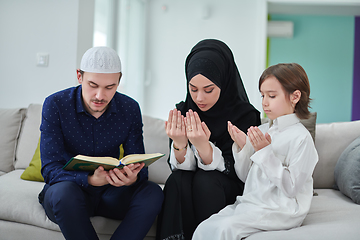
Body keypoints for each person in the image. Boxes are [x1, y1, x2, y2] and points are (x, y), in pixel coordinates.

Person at [38, 46, 164, 240]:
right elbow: (49, 169)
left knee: (153, 193)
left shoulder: (130, 109)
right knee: (63, 193)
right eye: (93, 85)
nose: (99, 96)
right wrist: (88, 180)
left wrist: (131, 178)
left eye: (109, 87)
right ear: (79, 76)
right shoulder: (55, 104)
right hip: (70, 192)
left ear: (119, 82)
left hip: (111, 193)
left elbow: (140, 167)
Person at [192, 63, 319, 240]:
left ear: (295, 96)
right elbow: (245, 177)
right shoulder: (263, 129)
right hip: (252, 203)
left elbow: (291, 188)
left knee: (225, 229)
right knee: (204, 228)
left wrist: (264, 152)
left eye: (272, 96)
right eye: (262, 95)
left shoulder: (301, 138)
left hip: (282, 209)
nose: (264, 102)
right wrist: (244, 147)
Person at [156, 39, 261, 240]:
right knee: (177, 180)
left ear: (224, 81)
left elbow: (242, 173)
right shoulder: (183, 111)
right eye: (193, 89)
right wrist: (179, 143)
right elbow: (180, 169)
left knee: (207, 179)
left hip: (226, 187)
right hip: (195, 183)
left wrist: (205, 148)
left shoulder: (246, 116)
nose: (200, 98)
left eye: (209, 89)